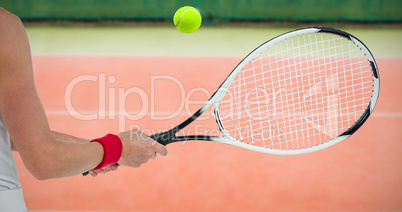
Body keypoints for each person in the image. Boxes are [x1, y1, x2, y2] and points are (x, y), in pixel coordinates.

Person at [0, 7, 168, 211]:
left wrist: (90, 149)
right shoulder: (4, 28)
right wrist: (119, 148)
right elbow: (44, 160)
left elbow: (16, 136)